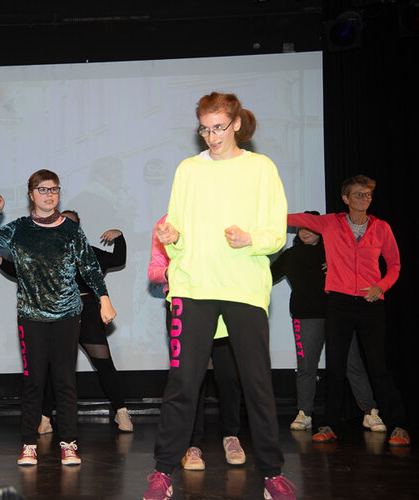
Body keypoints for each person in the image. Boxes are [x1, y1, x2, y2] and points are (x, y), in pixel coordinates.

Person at [143, 92, 296, 500]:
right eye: (205, 129)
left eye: (219, 128)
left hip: (243, 288)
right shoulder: (188, 170)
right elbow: (177, 234)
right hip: (193, 286)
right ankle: (162, 473)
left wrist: (250, 239)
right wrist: (171, 237)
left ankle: (272, 474)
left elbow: (275, 234)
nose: (212, 137)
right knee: (183, 383)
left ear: (237, 124)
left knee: (257, 383)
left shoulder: (261, 168)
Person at [0, 169, 116, 467]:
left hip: (67, 315)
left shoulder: (70, 229)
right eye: (43, 189)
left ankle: (69, 444)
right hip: (31, 316)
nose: (49, 194)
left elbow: (90, 266)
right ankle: (29, 444)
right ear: (31, 194)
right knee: (34, 382)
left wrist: (104, 299)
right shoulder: (19, 228)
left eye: (54, 189)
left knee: (65, 381)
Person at [287, 176, 410, 447]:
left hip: (370, 304)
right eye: (358, 195)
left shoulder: (381, 228)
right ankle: (329, 426)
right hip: (339, 304)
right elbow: (292, 218)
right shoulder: (331, 223)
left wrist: (381, 286)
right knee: (335, 368)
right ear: (345, 198)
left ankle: (399, 426)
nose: (364, 199)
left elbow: (394, 265)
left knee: (378, 367)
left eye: (367, 195)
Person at [0, 209, 132, 433]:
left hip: (87, 313)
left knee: (103, 362)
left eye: (70, 224)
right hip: (57, 314)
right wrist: (0, 261)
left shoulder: (88, 252)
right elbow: (24, 271)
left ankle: (121, 411)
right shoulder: (44, 253)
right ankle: (45, 418)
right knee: (55, 368)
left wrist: (120, 236)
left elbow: (118, 259)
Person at [270, 212, 387, 433]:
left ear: (321, 231)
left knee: (353, 364)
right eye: (301, 228)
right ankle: (305, 413)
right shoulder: (290, 255)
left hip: (339, 315)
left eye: (310, 228)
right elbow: (267, 276)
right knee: (306, 367)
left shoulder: (333, 251)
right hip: (305, 317)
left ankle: (369, 411)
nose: (305, 232)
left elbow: (358, 266)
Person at [148, 214, 245, 471]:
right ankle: (192, 445)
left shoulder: (220, 213)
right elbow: (154, 270)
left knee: (229, 374)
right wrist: (174, 271)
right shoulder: (167, 221)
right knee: (191, 378)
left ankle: (231, 436)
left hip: (223, 300)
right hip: (185, 304)